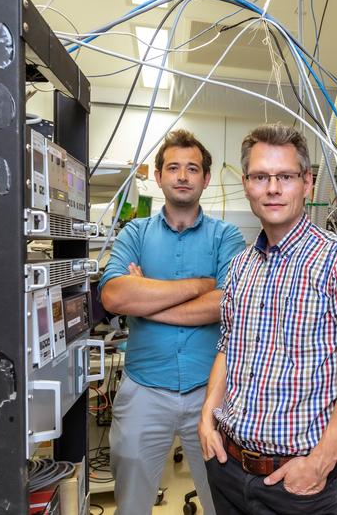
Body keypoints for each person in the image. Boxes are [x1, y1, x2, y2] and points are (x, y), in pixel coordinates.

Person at [199, 123, 337, 515]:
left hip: (298, 482)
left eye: (285, 176)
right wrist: (207, 419)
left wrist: (320, 462)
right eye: (260, 177)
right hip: (229, 468)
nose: (272, 188)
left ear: (306, 182)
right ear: (246, 184)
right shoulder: (240, 267)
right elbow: (227, 347)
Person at [99, 129, 245, 515]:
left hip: (211, 393)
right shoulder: (135, 232)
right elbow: (114, 296)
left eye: (192, 168)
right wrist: (199, 285)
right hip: (144, 389)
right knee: (130, 504)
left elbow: (227, 303)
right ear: (160, 176)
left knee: (223, 502)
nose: (182, 175)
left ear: (205, 179)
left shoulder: (226, 236)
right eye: (174, 167)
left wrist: (145, 298)